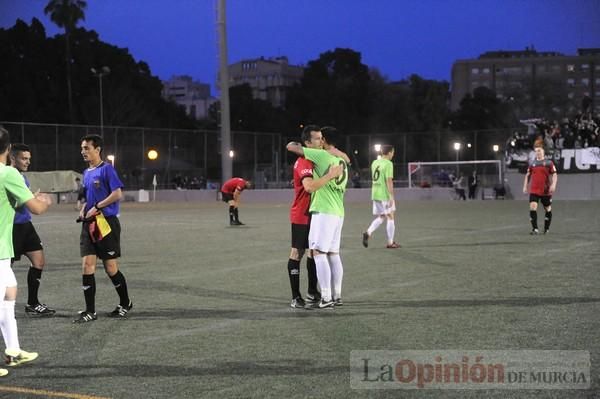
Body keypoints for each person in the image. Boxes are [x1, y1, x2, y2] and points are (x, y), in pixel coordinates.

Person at [0, 126, 52, 377]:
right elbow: (36, 209)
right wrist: (44, 201)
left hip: (3, 249)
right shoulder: (8, 173)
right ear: (8, 150)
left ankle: (13, 350)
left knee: (9, 294)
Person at [287, 126, 349, 309]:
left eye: (322, 138)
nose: (320, 142)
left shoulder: (320, 158)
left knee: (315, 254)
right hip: (303, 214)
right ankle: (296, 296)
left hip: (320, 212)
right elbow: (308, 186)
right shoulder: (307, 161)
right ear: (307, 143)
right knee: (299, 253)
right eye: (316, 139)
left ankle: (314, 292)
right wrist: (330, 175)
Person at [74, 134, 132, 323]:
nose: (83, 151)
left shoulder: (107, 170)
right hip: (89, 223)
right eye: (82, 148)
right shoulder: (86, 172)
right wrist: (83, 209)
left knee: (110, 267)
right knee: (87, 265)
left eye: (87, 148)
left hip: (106, 224)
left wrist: (97, 206)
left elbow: (117, 194)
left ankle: (125, 303)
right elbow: (86, 197)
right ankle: (90, 311)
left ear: (97, 149)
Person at [9, 144, 55, 316]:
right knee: (5, 270)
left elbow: (25, 198)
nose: (28, 162)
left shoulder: (23, 178)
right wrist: (40, 201)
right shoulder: (8, 175)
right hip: (11, 228)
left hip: (26, 226)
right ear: (13, 158)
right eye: (24, 158)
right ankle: (4, 306)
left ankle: (33, 303)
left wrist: (32, 197)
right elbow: (22, 202)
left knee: (39, 262)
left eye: (29, 158)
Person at [362, 145, 400, 249]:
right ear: (389, 153)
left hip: (375, 193)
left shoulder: (375, 162)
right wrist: (391, 196)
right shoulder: (388, 164)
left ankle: (368, 232)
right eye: (392, 152)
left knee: (382, 216)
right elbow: (389, 181)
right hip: (384, 194)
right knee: (390, 216)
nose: (393, 154)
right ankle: (390, 242)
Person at [523, 145, 557, 235]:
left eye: (539, 151)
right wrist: (525, 186)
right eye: (536, 151)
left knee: (548, 209)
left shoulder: (549, 163)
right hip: (534, 190)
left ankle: (546, 229)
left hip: (545, 191)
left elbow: (554, 174)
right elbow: (528, 175)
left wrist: (553, 184)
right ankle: (535, 229)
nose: (538, 152)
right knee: (533, 208)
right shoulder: (532, 163)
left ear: (543, 152)